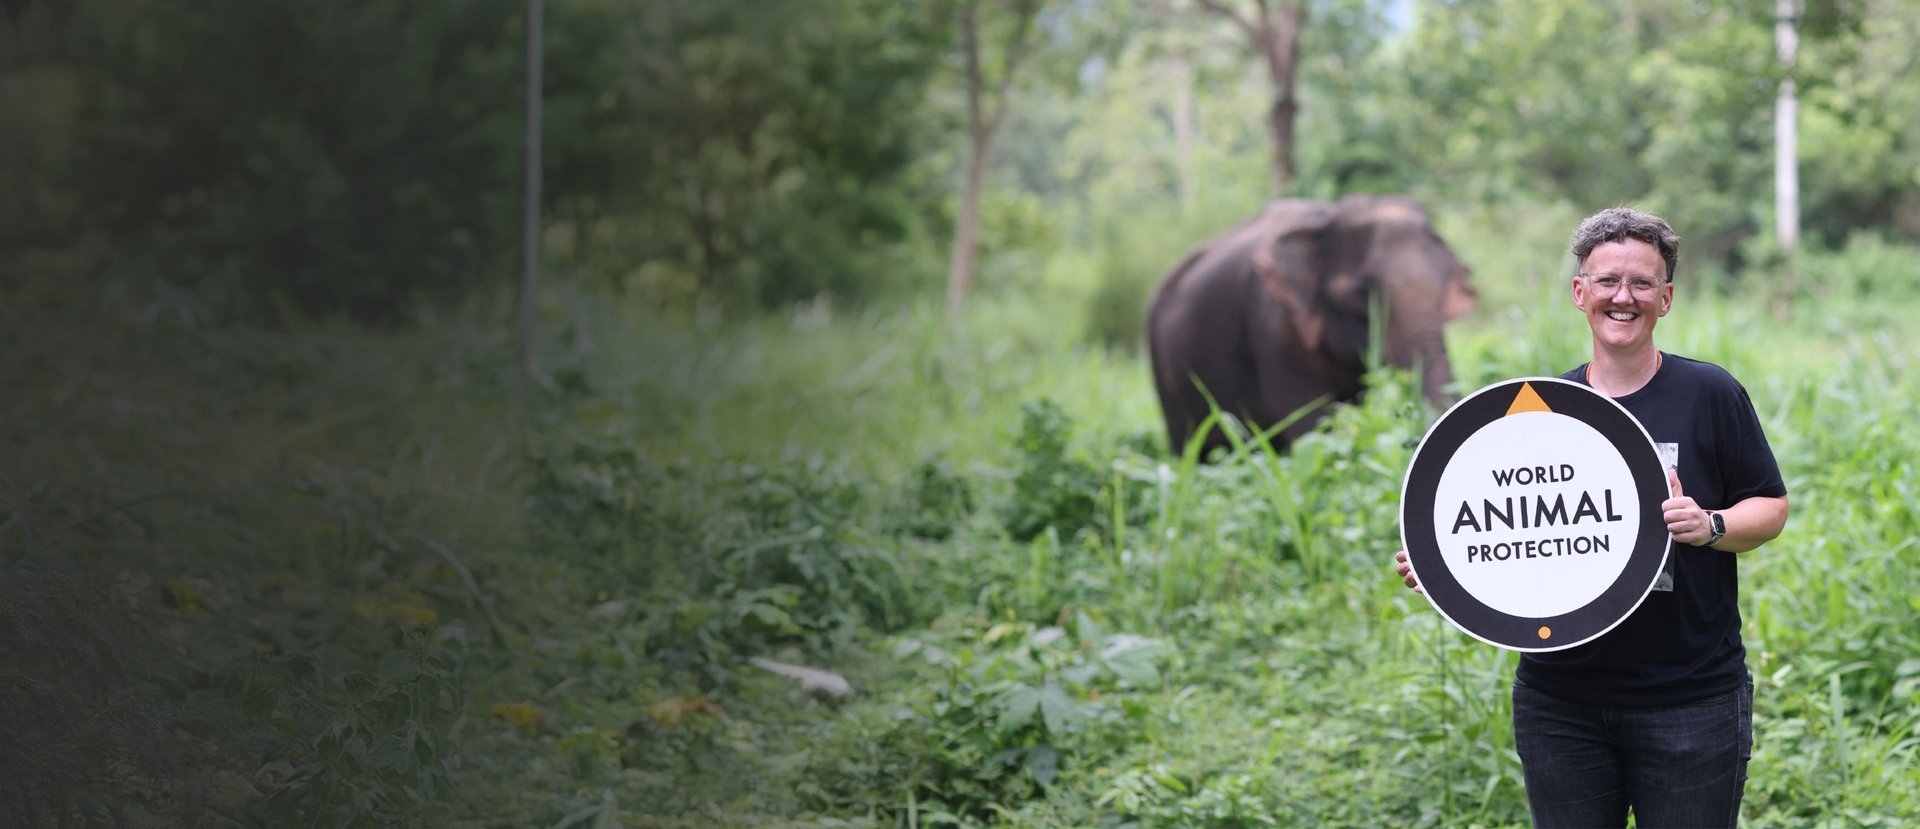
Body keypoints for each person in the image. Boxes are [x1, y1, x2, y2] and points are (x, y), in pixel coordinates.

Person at [1392, 207, 1790, 828]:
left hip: (1690, 701)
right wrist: (1447, 568)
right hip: (1560, 705)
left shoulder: (1709, 394)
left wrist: (1710, 525)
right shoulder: (1541, 412)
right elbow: (1520, 525)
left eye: (1641, 283)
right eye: (1607, 281)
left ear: (1666, 298)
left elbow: (1770, 505)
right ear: (1580, 293)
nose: (1622, 297)